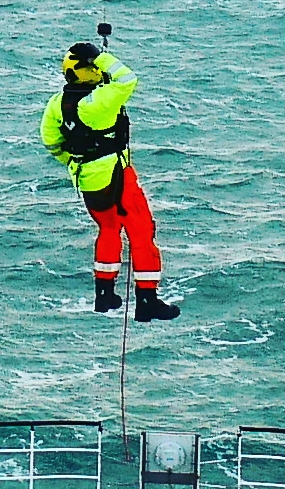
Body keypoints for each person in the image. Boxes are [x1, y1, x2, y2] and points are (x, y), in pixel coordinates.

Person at [42, 37, 181, 320]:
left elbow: (51, 141)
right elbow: (127, 79)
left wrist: (72, 164)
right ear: (84, 70)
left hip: (88, 182)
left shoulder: (58, 103)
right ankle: (146, 301)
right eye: (92, 66)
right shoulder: (100, 102)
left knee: (108, 230)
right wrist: (102, 56)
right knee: (142, 233)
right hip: (118, 178)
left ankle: (104, 296)